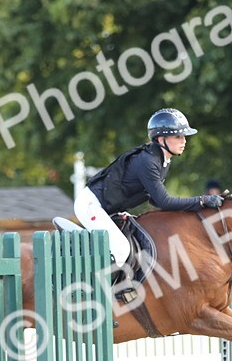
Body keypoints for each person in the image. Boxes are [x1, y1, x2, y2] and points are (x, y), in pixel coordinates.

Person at [75, 108, 223, 264]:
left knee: (137, 243)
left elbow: (154, 199)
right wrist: (202, 201)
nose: (184, 141)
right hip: (91, 205)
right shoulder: (148, 161)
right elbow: (163, 202)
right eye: (178, 136)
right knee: (121, 249)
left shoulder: (163, 160)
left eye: (184, 136)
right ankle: (100, 280)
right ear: (161, 139)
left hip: (109, 208)